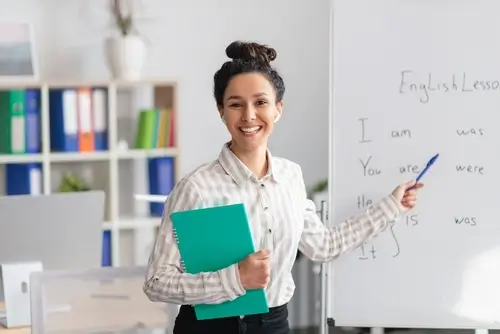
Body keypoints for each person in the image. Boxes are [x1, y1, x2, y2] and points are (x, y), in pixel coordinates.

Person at [143, 40, 424, 334]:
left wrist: (391, 206)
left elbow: (323, 246)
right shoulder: (196, 188)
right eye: (236, 104)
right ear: (221, 111)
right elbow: (157, 281)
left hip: (274, 325)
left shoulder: (291, 177)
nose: (249, 115)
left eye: (261, 102)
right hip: (212, 327)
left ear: (278, 109)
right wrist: (235, 279)